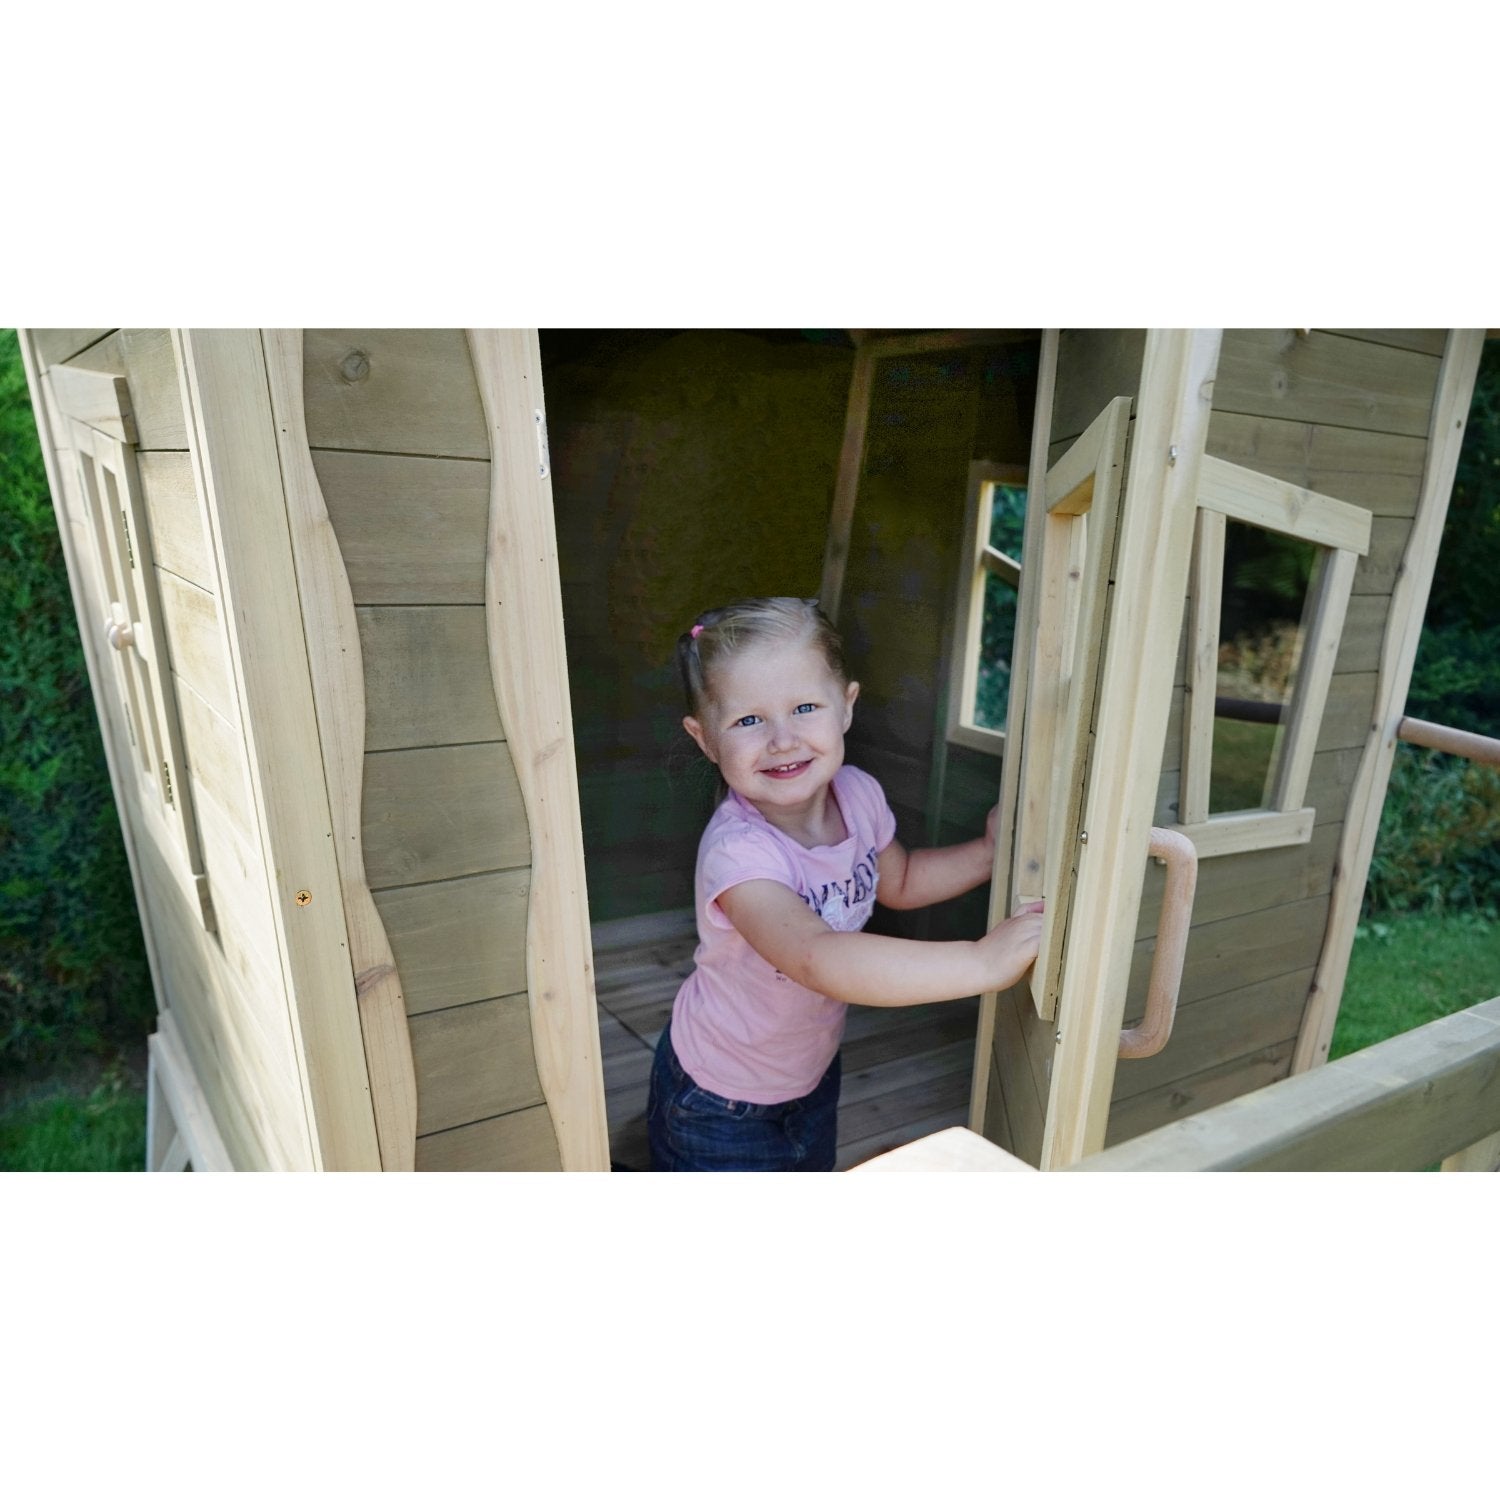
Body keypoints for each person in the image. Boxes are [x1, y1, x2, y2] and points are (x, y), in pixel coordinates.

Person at [647, 596, 1044, 1172]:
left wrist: (987, 853)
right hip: (718, 1097)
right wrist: (981, 962)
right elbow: (816, 957)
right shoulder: (739, 853)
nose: (783, 739)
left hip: (809, 1071)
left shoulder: (857, 795)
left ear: (846, 707)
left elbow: (901, 880)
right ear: (705, 738)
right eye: (748, 720)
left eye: (805, 707)